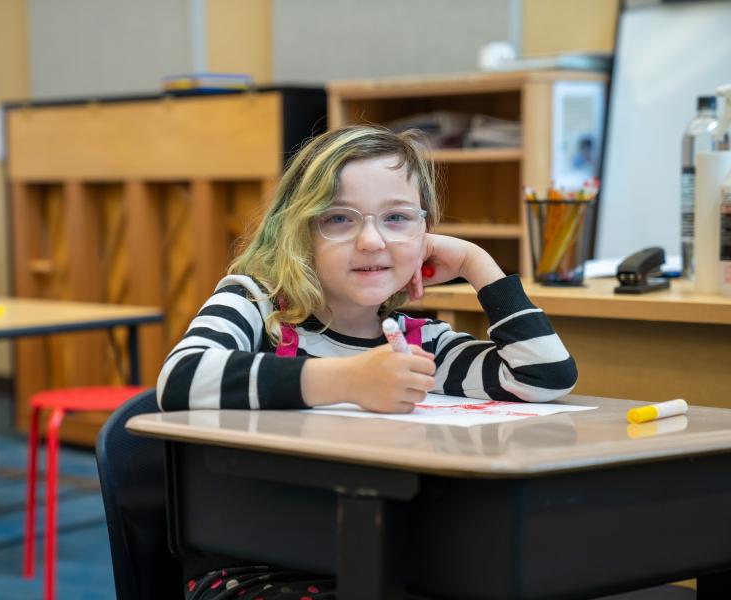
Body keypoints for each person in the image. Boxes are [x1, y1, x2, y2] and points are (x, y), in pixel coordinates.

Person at [157, 125, 578, 599]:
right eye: (338, 219)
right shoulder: (253, 303)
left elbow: (543, 378)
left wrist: (479, 265)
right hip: (257, 571)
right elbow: (180, 379)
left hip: (389, 561)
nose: (372, 241)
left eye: (398, 218)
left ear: (425, 234)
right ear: (297, 231)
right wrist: (348, 380)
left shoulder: (419, 342)